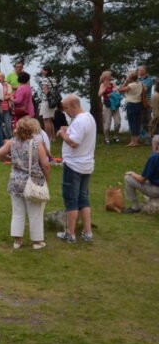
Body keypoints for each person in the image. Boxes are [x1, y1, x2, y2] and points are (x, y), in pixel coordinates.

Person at [0, 117, 51, 250]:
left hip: (16, 181)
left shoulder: (12, 142)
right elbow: (45, 164)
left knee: (17, 212)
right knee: (35, 212)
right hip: (33, 181)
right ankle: (37, 242)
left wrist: (11, 159)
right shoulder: (37, 143)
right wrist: (47, 179)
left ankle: (17, 241)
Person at [56, 95, 97, 243]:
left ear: (73, 105)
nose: (65, 112)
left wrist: (62, 134)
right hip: (86, 164)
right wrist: (69, 130)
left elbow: (74, 143)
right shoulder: (89, 118)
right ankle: (87, 232)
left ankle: (70, 234)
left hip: (74, 165)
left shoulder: (79, 121)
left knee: (71, 199)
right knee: (83, 199)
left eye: (66, 108)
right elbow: (80, 135)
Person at [119, 70, 144, 147]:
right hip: (139, 104)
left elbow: (120, 90)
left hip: (131, 104)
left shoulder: (131, 85)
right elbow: (144, 90)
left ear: (130, 77)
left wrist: (125, 82)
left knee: (132, 123)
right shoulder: (140, 83)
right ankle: (136, 141)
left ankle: (133, 141)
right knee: (137, 123)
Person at [98, 70, 122, 145]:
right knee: (107, 124)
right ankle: (106, 138)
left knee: (118, 122)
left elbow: (117, 92)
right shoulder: (102, 85)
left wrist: (113, 92)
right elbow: (99, 94)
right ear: (105, 77)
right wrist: (105, 88)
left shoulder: (113, 84)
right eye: (109, 76)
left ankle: (116, 136)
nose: (110, 78)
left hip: (115, 105)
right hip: (107, 106)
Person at [38, 66, 58, 142]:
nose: (41, 71)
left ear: (46, 71)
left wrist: (44, 91)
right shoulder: (53, 79)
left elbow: (45, 91)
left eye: (42, 70)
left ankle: (48, 138)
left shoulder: (45, 80)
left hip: (46, 101)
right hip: (53, 101)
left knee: (46, 120)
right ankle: (53, 137)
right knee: (50, 120)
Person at [138, 65, 153, 143]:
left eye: (140, 70)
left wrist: (137, 84)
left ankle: (150, 137)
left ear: (144, 71)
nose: (138, 71)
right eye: (138, 70)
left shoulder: (149, 79)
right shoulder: (138, 79)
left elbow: (145, 89)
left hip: (147, 103)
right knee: (141, 121)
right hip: (139, 102)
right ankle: (145, 137)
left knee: (148, 120)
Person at [0, 73, 13, 141]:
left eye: (1, 77)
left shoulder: (8, 85)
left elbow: (10, 96)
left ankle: (11, 139)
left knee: (8, 125)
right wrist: (4, 97)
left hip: (7, 108)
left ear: (4, 78)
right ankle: (2, 139)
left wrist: (2, 97)